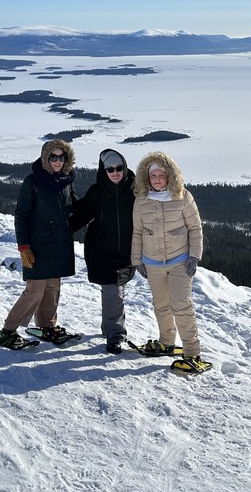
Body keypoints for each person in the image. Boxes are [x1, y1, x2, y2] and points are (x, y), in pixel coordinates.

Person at [131, 151, 209, 371]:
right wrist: (137, 260)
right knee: (161, 306)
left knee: (181, 306)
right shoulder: (141, 200)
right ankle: (166, 342)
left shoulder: (183, 196)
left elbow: (195, 228)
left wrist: (194, 255)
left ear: (170, 176)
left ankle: (192, 353)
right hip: (153, 263)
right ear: (146, 178)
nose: (157, 179)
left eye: (161, 174)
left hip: (179, 260)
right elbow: (137, 232)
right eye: (153, 175)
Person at [0, 139, 78, 347]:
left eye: (61, 157)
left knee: (53, 288)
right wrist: (23, 246)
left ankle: (47, 325)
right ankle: (9, 329)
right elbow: (21, 215)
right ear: (45, 158)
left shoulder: (66, 181)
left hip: (59, 243)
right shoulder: (32, 182)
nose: (57, 161)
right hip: (38, 245)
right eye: (53, 157)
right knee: (35, 290)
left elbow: (75, 207)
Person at [71, 148, 136, 354]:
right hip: (101, 253)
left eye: (119, 168)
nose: (115, 172)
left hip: (127, 254)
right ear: (103, 171)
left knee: (115, 293)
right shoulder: (96, 192)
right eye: (110, 169)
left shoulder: (136, 190)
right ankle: (115, 336)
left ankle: (107, 327)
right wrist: (53, 234)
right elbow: (78, 217)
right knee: (112, 292)